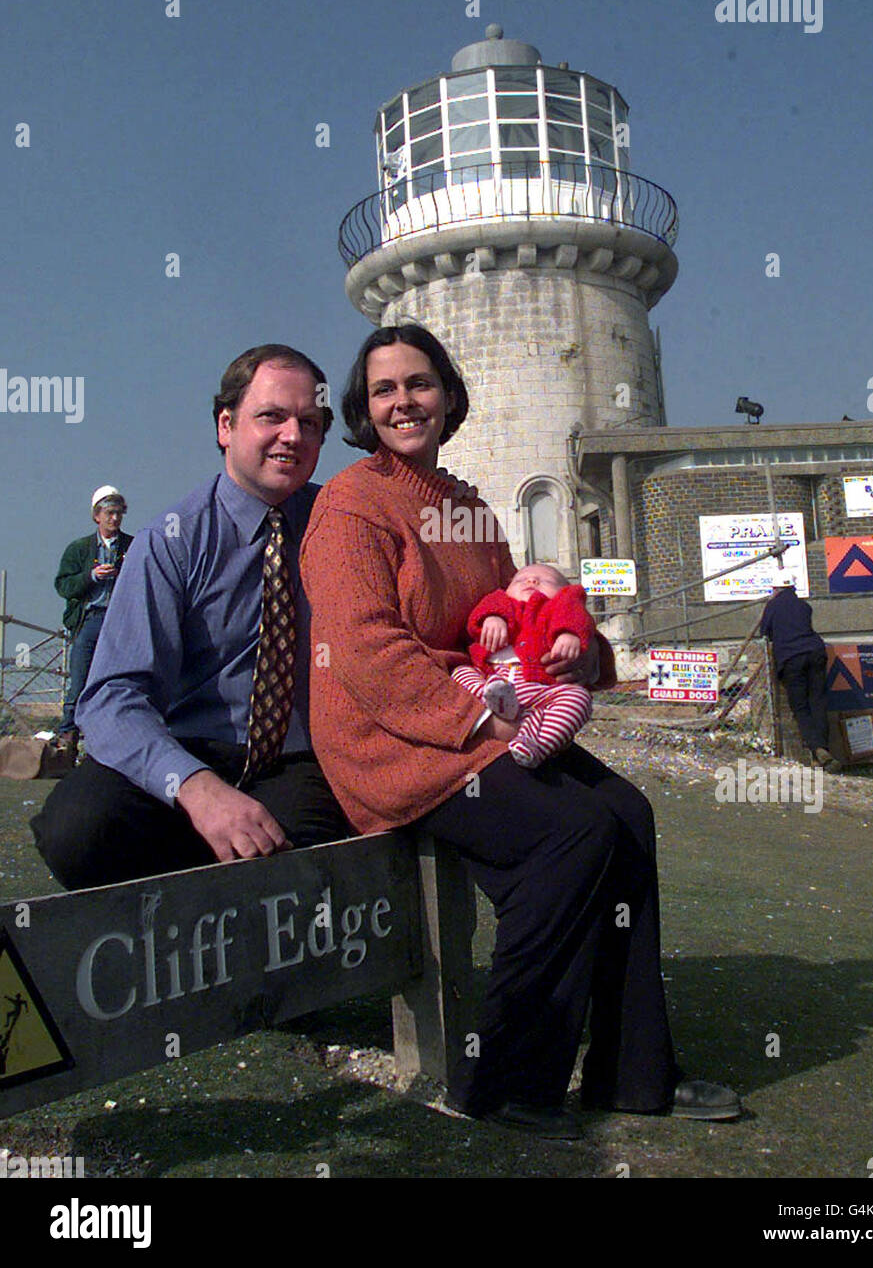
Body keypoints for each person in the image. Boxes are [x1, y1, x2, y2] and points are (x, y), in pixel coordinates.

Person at [301, 324, 740, 1139]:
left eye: (420, 384)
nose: (405, 402)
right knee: (565, 835)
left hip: (486, 714)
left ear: (448, 396)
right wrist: (476, 717)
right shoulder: (349, 504)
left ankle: (633, 1072)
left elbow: (524, 612)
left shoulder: (467, 507)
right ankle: (504, 1078)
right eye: (385, 389)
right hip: (393, 738)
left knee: (628, 815)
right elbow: (364, 648)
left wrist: (580, 655)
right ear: (363, 408)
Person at [31, 345, 348, 890]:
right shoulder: (171, 540)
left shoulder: (343, 525)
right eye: (271, 416)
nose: (293, 435)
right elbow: (111, 696)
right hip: (190, 748)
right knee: (77, 828)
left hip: (296, 759)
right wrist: (196, 789)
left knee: (296, 866)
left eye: (310, 422)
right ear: (226, 425)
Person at [452, 562, 595, 768]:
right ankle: (488, 696)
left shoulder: (561, 605)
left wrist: (569, 634)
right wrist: (492, 618)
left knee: (578, 698)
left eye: (547, 581)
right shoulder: (502, 600)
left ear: (564, 590)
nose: (532, 581)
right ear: (508, 587)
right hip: (493, 678)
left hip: (543, 689)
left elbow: (577, 617)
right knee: (460, 672)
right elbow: (483, 611)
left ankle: (535, 745)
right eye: (521, 580)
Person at [54, 486, 133, 752]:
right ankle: (68, 737)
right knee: (80, 680)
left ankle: (110, 740)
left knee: (117, 683)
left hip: (121, 622)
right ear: (97, 515)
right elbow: (64, 586)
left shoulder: (133, 547)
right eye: (110, 513)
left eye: (119, 513)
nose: (115, 519)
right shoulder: (78, 550)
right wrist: (91, 576)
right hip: (90, 620)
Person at [759, 578, 841, 771]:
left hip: (791, 658)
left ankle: (817, 749)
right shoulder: (804, 606)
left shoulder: (773, 606)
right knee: (818, 701)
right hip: (815, 652)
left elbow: (764, 632)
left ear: (776, 588)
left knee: (800, 706)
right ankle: (823, 749)